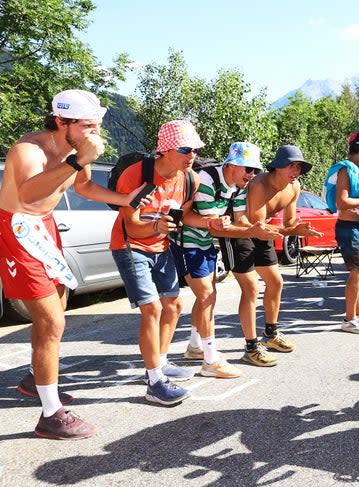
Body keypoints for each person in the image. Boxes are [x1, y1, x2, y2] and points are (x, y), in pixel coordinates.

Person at [0, 89, 147, 438]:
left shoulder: (77, 150)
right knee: (51, 321)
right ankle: (51, 416)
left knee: (59, 308)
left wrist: (124, 198)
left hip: (45, 226)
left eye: (97, 126)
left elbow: (83, 188)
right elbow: (29, 195)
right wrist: (77, 161)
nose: (94, 134)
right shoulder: (28, 151)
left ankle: (37, 379)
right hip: (17, 227)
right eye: (86, 126)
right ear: (61, 121)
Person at [111, 119, 204, 406]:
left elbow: (180, 216)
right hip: (130, 245)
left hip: (161, 246)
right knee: (150, 309)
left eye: (196, 150)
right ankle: (154, 381)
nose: (192, 156)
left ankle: (161, 362)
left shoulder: (190, 179)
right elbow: (133, 225)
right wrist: (158, 228)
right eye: (185, 149)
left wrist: (209, 222)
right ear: (164, 150)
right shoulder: (136, 175)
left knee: (174, 305)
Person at [173, 142, 275, 378]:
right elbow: (216, 227)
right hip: (186, 243)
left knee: (208, 295)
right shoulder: (206, 180)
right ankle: (210, 360)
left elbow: (239, 220)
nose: (252, 175)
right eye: (248, 169)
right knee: (206, 296)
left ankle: (194, 346)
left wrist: (261, 228)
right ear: (231, 165)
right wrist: (253, 232)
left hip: (205, 243)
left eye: (255, 171)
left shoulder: (239, 187)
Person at [241, 144, 323, 360]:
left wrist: (301, 227)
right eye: (291, 166)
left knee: (276, 283)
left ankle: (270, 333)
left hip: (265, 233)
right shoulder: (259, 184)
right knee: (250, 289)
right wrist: (291, 230)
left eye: (299, 167)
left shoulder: (294, 187)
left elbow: (289, 221)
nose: (296, 172)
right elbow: (257, 226)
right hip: (242, 232)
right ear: (277, 166)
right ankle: (250, 347)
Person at [325, 132, 359, 334]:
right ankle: (349, 319)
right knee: (358, 272)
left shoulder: (356, 170)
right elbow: (342, 202)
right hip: (349, 228)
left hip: (357, 227)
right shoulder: (346, 170)